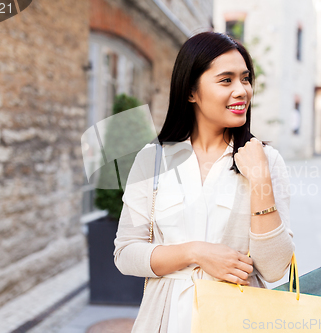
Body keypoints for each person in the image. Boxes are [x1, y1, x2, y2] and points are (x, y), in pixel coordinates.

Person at [113, 31, 295, 333]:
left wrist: (260, 179)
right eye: (226, 80)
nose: (241, 91)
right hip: (165, 320)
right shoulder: (152, 160)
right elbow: (126, 254)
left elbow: (275, 268)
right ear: (190, 92)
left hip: (238, 320)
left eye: (245, 79)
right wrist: (195, 252)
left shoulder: (266, 161)